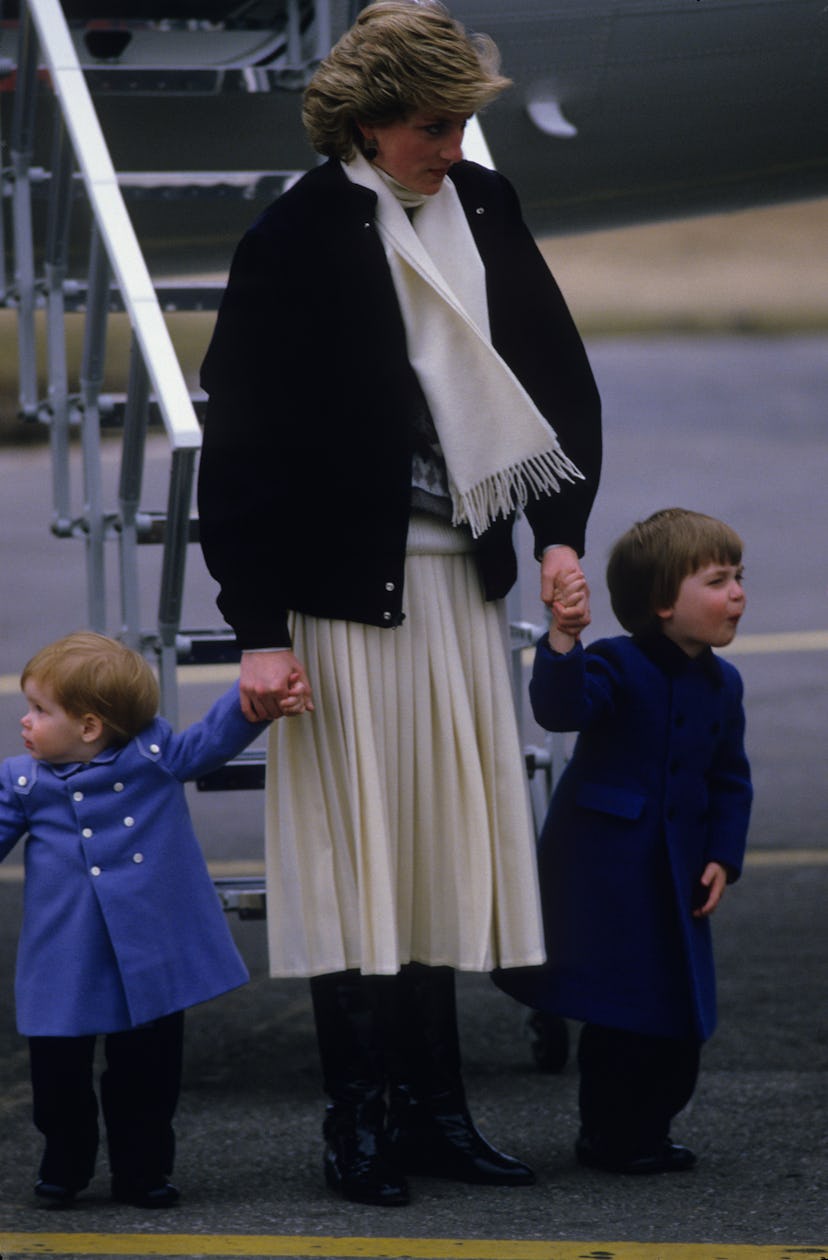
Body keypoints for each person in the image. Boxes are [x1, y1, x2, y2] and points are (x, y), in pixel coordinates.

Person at [197, 0, 601, 1206]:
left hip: (459, 577)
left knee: (438, 855)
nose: (452, 144)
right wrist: (257, 630)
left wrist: (561, 538)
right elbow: (246, 448)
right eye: (434, 126)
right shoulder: (299, 235)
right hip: (338, 596)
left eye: (460, 123)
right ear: (368, 125)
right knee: (356, 860)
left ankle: (437, 1112)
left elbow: (551, 379)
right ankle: (359, 1122)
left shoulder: (482, 204)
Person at [495, 508, 753, 1174]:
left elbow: (730, 778)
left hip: (681, 874)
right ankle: (609, 1134)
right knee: (620, 1013)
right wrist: (562, 641)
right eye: (719, 581)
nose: (738, 594)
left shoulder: (723, 684)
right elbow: (561, 709)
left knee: (677, 1010)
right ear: (664, 603)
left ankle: (650, 1125)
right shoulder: (616, 662)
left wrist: (724, 854)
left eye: (738, 578)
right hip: (609, 874)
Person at [0, 631, 277, 1208]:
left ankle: (143, 1170)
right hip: (64, 957)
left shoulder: (154, 758)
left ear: (89, 726)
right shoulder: (23, 782)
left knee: (146, 1080)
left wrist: (258, 696)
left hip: (146, 956)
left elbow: (212, 738)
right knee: (57, 1082)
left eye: (39, 710)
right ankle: (65, 1162)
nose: (25, 722)